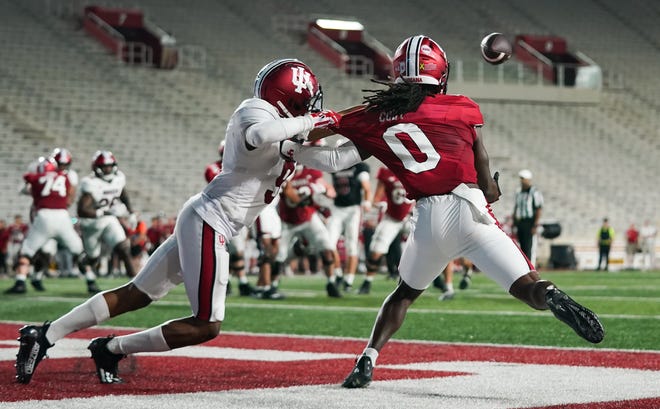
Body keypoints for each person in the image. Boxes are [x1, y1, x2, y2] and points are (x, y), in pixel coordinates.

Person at [280, 35, 605, 388]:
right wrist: (492, 188)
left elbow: (334, 157)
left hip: (429, 218)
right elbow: (483, 170)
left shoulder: (376, 115)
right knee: (530, 288)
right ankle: (552, 296)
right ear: (440, 73)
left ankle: (366, 360)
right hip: (470, 208)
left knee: (404, 294)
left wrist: (289, 149)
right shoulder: (463, 106)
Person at [13, 57, 353, 385]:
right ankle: (109, 348)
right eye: (307, 102)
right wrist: (316, 121)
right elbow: (260, 135)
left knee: (137, 294)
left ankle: (46, 335)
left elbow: (336, 159)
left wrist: (379, 131)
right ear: (290, 98)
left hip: (207, 220)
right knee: (207, 324)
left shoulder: (288, 134)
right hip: (210, 221)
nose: (311, 109)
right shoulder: (255, 111)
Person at [4, 157, 83, 294]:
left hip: (43, 217)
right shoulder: (65, 178)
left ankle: (20, 281)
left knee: (27, 251)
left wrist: (33, 176)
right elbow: (69, 194)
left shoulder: (35, 178)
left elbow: (24, 185)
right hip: (62, 216)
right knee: (78, 250)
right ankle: (89, 278)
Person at [275, 164, 341, 297]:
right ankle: (272, 286)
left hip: (308, 217)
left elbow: (330, 190)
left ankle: (331, 283)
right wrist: (305, 200)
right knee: (279, 255)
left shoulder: (312, 171)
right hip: (287, 221)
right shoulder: (284, 170)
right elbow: (288, 193)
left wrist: (325, 193)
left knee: (327, 248)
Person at [77, 150, 136, 293]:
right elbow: (82, 210)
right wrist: (103, 212)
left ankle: (136, 284)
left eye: (109, 166)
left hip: (108, 220)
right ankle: (85, 266)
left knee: (124, 248)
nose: (107, 169)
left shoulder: (118, 178)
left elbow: (123, 193)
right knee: (93, 258)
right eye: (104, 166)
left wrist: (131, 212)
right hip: (91, 224)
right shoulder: (90, 183)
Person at [357, 166, 414, 294]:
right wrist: (379, 206)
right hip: (392, 217)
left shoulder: (415, 167)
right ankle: (367, 281)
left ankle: (441, 283)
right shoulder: (386, 171)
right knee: (376, 251)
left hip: (412, 216)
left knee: (430, 245)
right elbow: (376, 198)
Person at [327, 160, 372, 291]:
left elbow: (366, 187)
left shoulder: (359, 167)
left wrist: (367, 201)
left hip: (353, 210)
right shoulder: (334, 165)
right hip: (337, 208)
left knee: (351, 246)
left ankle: (349, 280)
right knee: (329, 244)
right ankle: (338, 274)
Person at [513, 169, 543, 265]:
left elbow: (538, 208)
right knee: (521, 248)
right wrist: (514, 221)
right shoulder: (518, 192)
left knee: (529, 247)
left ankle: (531, 269)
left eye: (523, 178)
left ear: (528, 179)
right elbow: (516, 207)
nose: (521, 180)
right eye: (521, 178)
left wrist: (535, 225)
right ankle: (524, 268)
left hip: (530, 222)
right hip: (520, 222)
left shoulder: (534, 192)